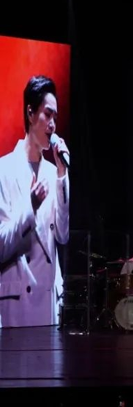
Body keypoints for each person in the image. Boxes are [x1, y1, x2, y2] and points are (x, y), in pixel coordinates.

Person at [0, 75, 70, 328]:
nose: (52, 125)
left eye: (55, 118)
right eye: (47, 115)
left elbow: (62, 235)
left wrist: (62, 175)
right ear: (30, 113)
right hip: (18, 302)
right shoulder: (4, 169)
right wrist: (30, 207)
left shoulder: (53, 173)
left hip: (49, 301)